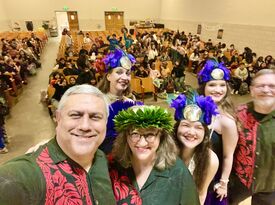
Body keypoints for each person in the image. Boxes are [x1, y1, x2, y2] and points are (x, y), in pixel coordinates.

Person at [0, 85, 116, 204]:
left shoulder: (101, 158)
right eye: (75, 115)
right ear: (58, 118)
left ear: (106, 122)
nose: (85, 126)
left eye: (95, 117)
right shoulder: (25, 176)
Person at [109, 104, 200, 205]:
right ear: (126, 136)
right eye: (135, 134)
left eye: (150, 134)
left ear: (161, 136)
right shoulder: (112, 167)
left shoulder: (178, 171)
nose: (142, 143)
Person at [229, 69, 275, 205]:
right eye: (260, 86)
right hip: (239, 184)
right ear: (252, 90)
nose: (266, 90)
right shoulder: (238, 114)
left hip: (270, 188)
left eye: (272, 86)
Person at [197, 59, 238, 204]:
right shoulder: (197, 110)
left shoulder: (227, 121)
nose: (218, 89)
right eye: (212, 84)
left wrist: (223, 183)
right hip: (194, 172)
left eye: (222, 85)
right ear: (204, 87)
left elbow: (228, 156)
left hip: (212, 179)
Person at [171, 92, 219, 204]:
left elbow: (201, 194)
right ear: (177, 128)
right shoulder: (164, 149)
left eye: (198, 127)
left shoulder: (210, 160)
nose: (191, 132)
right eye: (185, 125)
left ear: (205, 133)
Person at [98, 48, 137, 153]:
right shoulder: (97, 102)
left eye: (128, 74)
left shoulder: (131, 102)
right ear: (109, 76)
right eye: (119, 72)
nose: (125, 77)